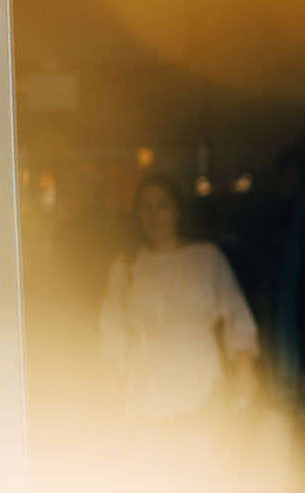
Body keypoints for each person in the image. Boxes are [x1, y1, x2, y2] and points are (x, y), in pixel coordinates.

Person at [98, 173, 260, 489]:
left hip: (199, 379)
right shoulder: (127, 265)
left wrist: (244, 367)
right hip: (146, 384)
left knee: (198, 471)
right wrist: (110, 372)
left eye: (162, 206)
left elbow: (236, 313)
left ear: (177, 212)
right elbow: (111, 325)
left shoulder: (206, 258)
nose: (154, 215)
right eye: (146, 208)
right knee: (151, 474)